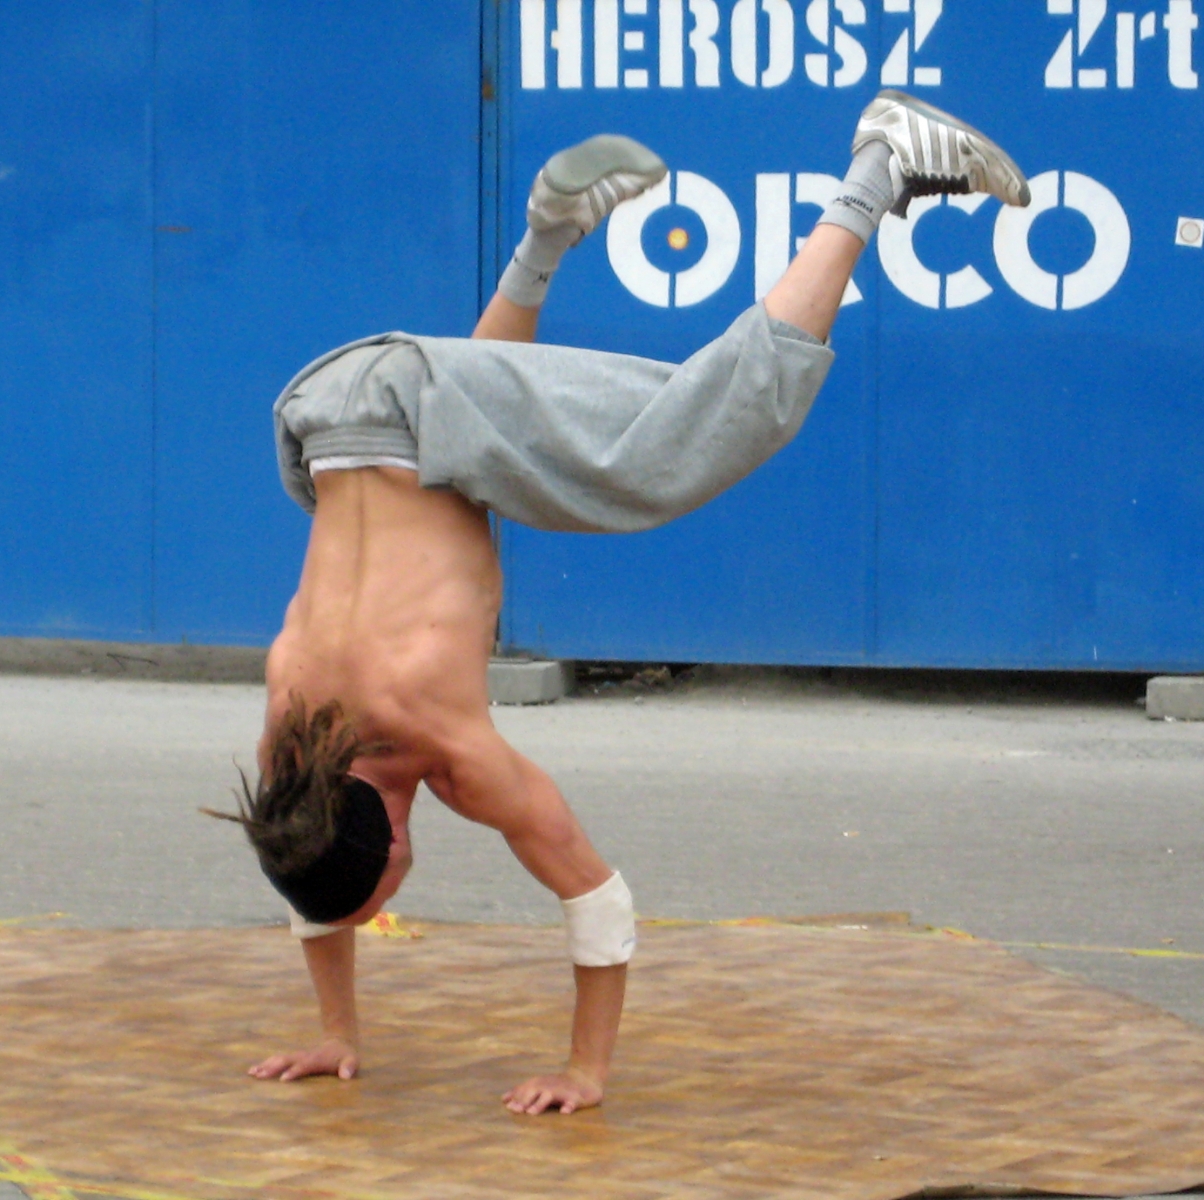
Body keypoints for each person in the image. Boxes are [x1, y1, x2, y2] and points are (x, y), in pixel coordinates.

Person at [207, 90, 1030, 1116]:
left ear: (398, 846)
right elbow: (307, 882)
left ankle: (879, 163)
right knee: (471, 460)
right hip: (330, 408)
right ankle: (548, 235)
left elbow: (597, 900)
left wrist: (585, 1073)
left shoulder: (451, 749)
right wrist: (335, 1035)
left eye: (377, 905)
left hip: (393, 413)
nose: (375, 918)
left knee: (683, 443)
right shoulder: (292, 741)